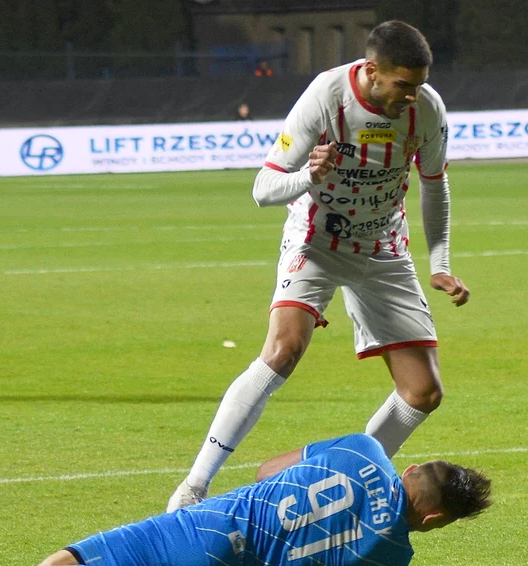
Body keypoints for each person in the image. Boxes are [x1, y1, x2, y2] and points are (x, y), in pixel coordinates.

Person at [166, 20, 468, 511]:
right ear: (372, 71)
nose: (413, 96)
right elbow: (263, 189)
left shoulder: (427, 109)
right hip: (317, 239)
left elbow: (434, 183)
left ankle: (350, 477)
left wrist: (440, 262)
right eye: (403, 85)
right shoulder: (326, 97)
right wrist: (311, 173)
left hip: (383, 247)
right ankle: (193, 487)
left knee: (423, 393)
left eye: (418, 85)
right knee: (283, 350)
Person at [31, 433, 492, 566]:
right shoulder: (393, 555)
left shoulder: (363, 449)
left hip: (202, 533)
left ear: (410, 470)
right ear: (433, 519)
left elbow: (266, 471)